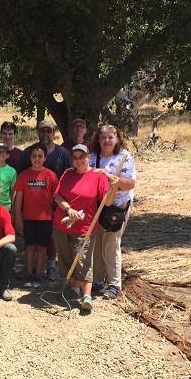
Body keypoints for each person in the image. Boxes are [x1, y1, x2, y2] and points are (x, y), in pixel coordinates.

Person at [53, 144, 117, 312]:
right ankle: (74, 291)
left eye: (82, 156)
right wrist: (68, 209)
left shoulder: (97, 176)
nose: (79, 160)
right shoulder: (67, 174)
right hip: (62, 225)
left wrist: (114, 186)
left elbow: (108, 201)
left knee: (83, 261)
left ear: (89, 157)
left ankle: (87, 296)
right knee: (66, 259)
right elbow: (57, 195)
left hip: (85, 227)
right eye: (75, 157)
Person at [18, 120, 73, 280]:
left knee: (50, 239)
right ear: (38, 132)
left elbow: (69, 176)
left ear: (53, 133)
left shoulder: (62, 153)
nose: (45, 134)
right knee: (31, 243)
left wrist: (67, 205)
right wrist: (19, 212)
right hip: (31, 207)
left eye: (49, 131)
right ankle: (31, 269)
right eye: (42, 131)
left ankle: (50, 266)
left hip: (55, 205)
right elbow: (21, 183)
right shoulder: (27, 153)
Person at [89, 124, 136, 300]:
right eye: (103, 138)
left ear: (116, 139)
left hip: (118, 206)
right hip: (97, 206)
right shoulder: (93, 157)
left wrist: (108, 177)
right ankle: (98, 280)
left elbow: (129, 183)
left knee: (111, 243)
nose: (107, 141)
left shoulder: (125, 157)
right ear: (98, 140)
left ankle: (114, 284)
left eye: (110, 137)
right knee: (97, 242)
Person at [13, 142, 58, 288]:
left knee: (41, 247)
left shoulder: (50, 175)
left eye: (40, 156)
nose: (37, 159)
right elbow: (18, 198)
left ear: (45, 158)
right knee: (29, 246)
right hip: (28, 218)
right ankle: (28, 274)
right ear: (30, 157)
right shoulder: (24, 175)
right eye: (34, 156)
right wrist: (18, 217)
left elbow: (57, 197)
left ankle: (38, 275)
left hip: (46, 218)